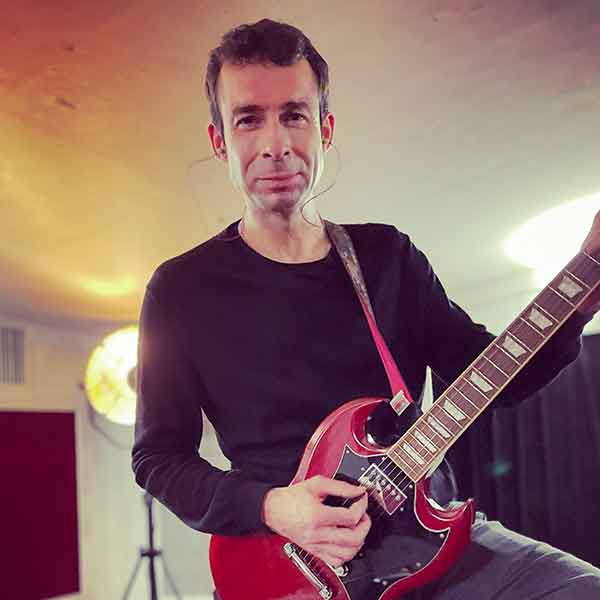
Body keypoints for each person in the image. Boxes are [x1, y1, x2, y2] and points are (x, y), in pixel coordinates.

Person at [132, 18, 600, 599]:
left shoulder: (387, 258)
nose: (275, 145)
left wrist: (582, 288)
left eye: (294, 115)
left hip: (434, 542)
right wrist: (273, 506)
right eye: (248, 119)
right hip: (289, 573)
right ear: (220, 140)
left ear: (324, 129)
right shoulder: (182, 290)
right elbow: (158, 458)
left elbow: (497, 376)